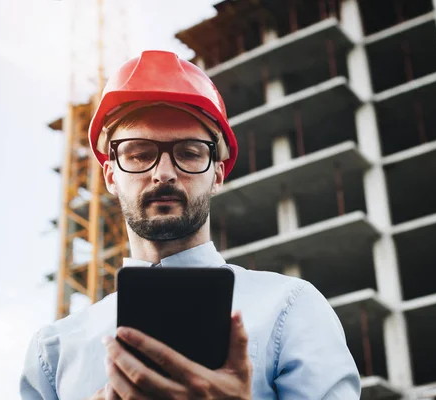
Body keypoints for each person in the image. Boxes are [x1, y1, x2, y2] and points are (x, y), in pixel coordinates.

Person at [20, 50, 361, 400]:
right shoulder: (54, 351)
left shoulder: (292, 309)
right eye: (138, 153)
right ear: (110, 175)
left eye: (189, 152)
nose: (163, 173)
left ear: (217, 173)